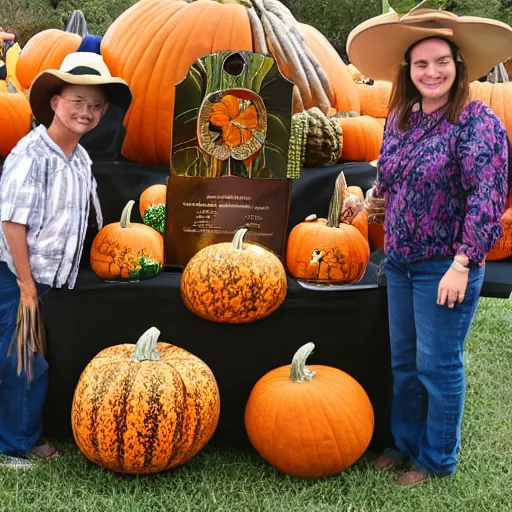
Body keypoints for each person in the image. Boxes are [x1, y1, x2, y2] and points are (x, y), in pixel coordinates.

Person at [347, 6, 512, 486]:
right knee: (403, 362)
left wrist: (463, 264)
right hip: (399, 261)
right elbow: (391, 179)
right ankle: (404, 443)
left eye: (441, 61)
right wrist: (370, 204)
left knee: (437, 366)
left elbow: (487, 198)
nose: (432, 71)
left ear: (458, 66)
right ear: (408, 71)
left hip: (446, 263)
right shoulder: (400, 119)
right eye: (421, 64)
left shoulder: (478, 122)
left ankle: (437, 459)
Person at [0, 52, 132, 460]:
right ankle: (17, 445)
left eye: (95, 106)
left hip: (48, 278)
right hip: (19, 276)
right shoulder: (32, 156)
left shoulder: (79, 157)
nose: (86, 112)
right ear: (55, 101)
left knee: (30, 357)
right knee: (23, 361)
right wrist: (25, 286)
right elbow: (12, 225)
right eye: (77, 101)